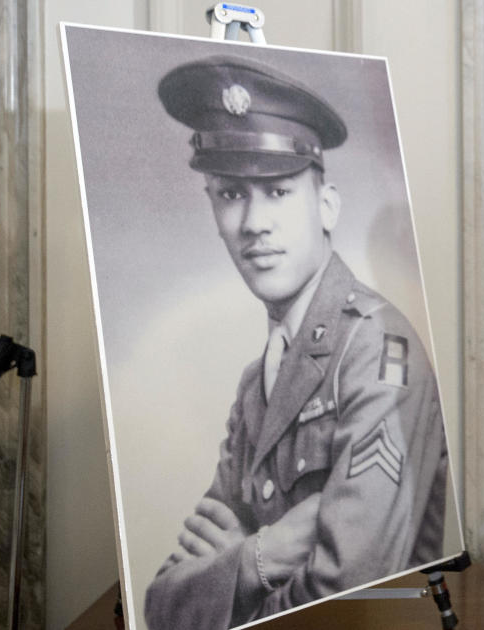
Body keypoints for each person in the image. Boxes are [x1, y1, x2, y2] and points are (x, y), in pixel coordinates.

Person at [143, 54, 450, 629]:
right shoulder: (256, 384)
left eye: (279, 192)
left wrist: (236, 568)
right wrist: (262, 556)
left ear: (327, 205)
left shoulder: (379, 352)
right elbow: (162, 604)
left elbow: (351, 591)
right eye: (232, 194)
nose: (254, 222)